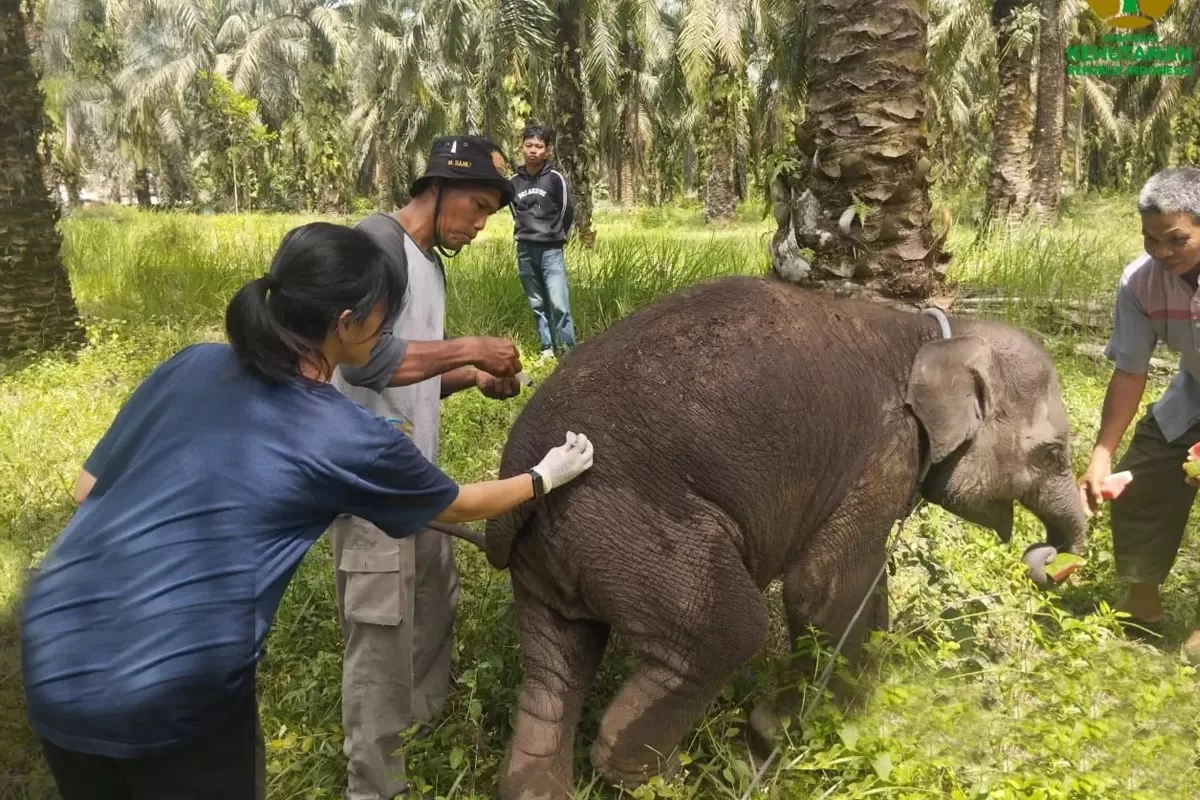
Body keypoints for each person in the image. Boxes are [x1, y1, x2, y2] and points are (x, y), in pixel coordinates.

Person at [17, 221, 594, 800]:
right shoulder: (345, 435)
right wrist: (546, 475)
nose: (386, 334)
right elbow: (461, 502)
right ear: (347, 324)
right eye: (383, 319)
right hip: (173, 680)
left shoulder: (192, 363)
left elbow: (86, 487)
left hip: (54, 647)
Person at [328, 134, 528, 800]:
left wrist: (469, 374)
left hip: (418, 479)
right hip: (370, 482)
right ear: (435, 187)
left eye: (489, 216)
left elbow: (410, 379)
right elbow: (363, 361)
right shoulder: (375, 245)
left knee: (436, 598)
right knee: (381, 638)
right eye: (474, 207)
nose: (477, 225)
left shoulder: (430, 266)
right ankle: (373, 786)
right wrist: (469, 347)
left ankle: (424, 725)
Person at [1078, 165, 1200, 662]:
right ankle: (1142, 602)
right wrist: (1101, 453)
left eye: (1176, 239)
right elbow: (1130, 372)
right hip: (1191, 396)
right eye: (1151, 240)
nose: (1162, 252)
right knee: (1138, 478)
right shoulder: (1140, 282)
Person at [509, 122, 578, 363]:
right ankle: (547, 349)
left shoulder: (555, 179)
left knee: (559, 303)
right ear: (522, 147)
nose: (533, 150)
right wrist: (525, 233)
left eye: (539, 146)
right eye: (529, 145)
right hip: (525, 250)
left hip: (551, 250)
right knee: (537, 303)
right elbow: (514, 212)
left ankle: (570, 351)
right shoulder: (514, 182)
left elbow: (567, 210)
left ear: (547, 150)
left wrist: (553, 234)